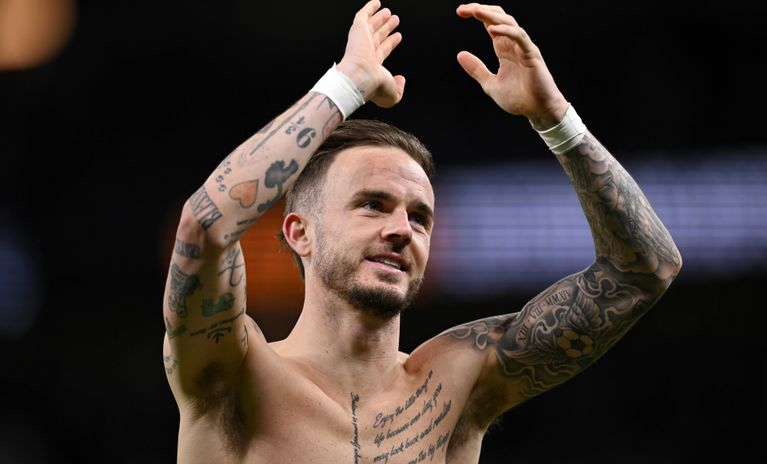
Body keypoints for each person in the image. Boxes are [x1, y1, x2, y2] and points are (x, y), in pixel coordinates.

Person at [162, 1, 682, 462]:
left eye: (420, 217)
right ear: (300, 232)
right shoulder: (234, 372)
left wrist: (555, 119)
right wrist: (346, 84)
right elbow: (206, 226)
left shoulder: (457, 381)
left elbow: (645, 270)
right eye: (372, 205)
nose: (401, 230)